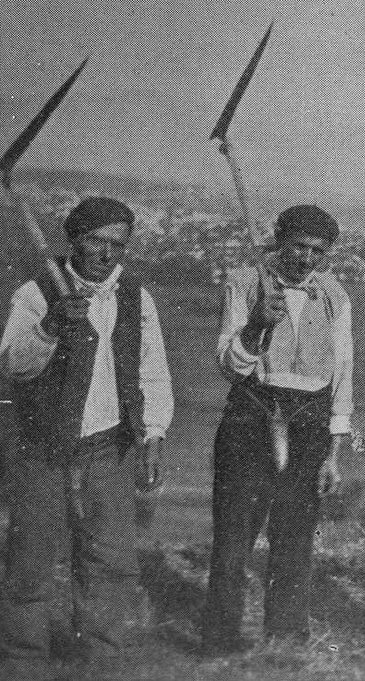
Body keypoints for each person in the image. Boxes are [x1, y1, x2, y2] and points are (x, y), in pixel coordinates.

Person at [0, 197, 174, 680]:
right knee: (30, 569)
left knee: (111, 565)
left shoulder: (136, 297)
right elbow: (14, 364)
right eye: (95, 240)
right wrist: (50, 326)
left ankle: (102, 665)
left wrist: (154, 432)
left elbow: (152, 371)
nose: (104, 252)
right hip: (43, 451)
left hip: (108, 450)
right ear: (74, 238)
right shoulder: (36, 293)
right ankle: (22, 667)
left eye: (116, 244)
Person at [199, 205, 352, 652]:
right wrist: (256, 325)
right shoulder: (244, 283)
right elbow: (229, 364)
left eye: (317, 252)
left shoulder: (334, 294)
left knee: (295, 534)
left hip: (309, 422)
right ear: (278, 241)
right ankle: (221, 639)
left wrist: (334, 451)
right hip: (251, 415)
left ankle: (285, 637)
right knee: (234, 534)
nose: (306, 259)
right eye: (298, 247)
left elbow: (342, 372)